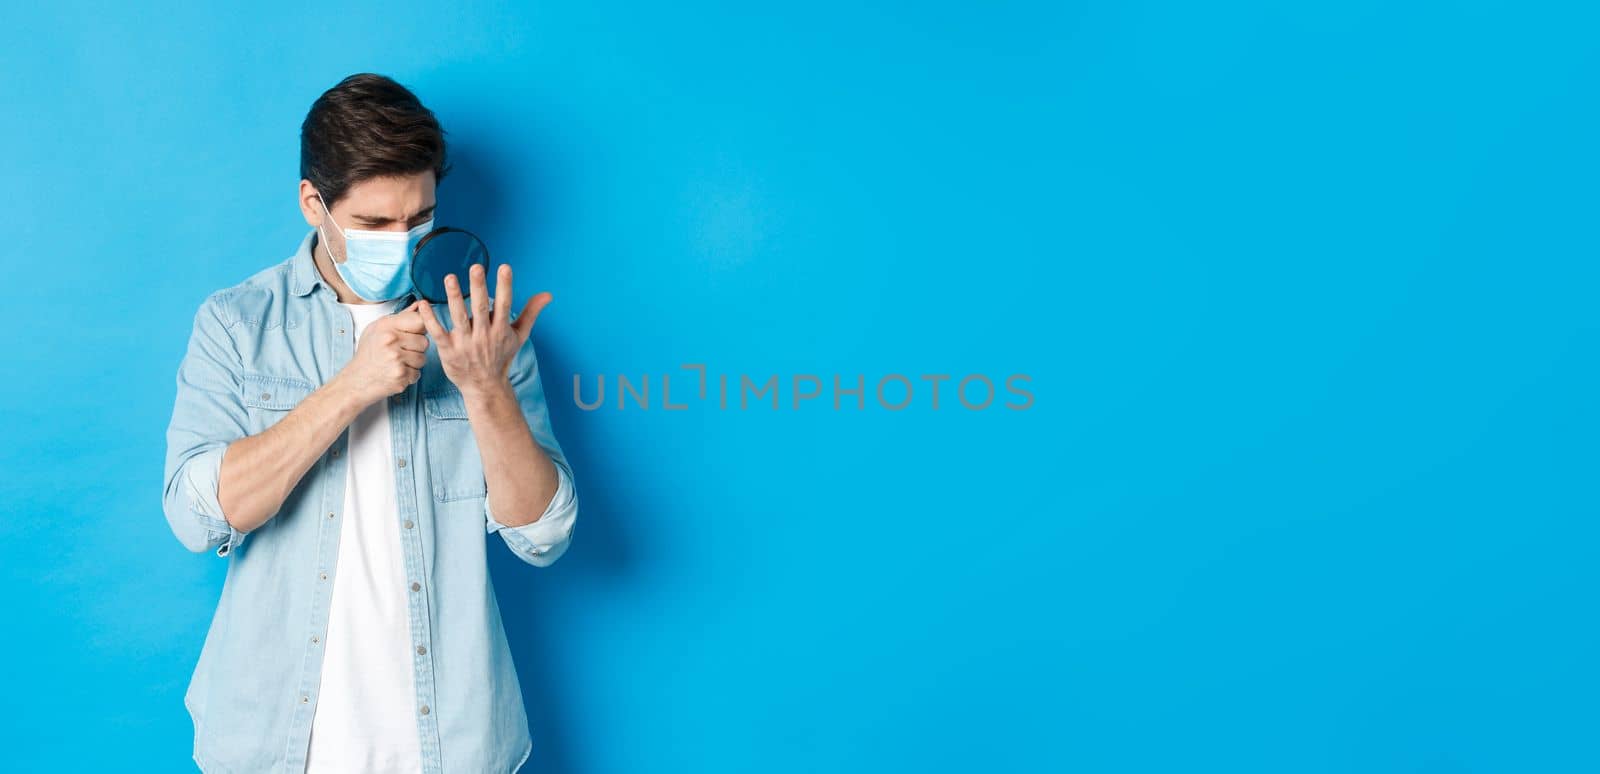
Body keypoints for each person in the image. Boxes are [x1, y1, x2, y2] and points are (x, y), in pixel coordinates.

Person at [161, 72, 578, 773]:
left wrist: (486, 390)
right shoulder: (237, 324)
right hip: (272, 742)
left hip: (449, 741)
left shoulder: (486, 338)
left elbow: (543, 536)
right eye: (376, 224)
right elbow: (199, 517)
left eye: (420, 219)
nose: (404, 239)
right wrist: (350, 387)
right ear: (313, 204)